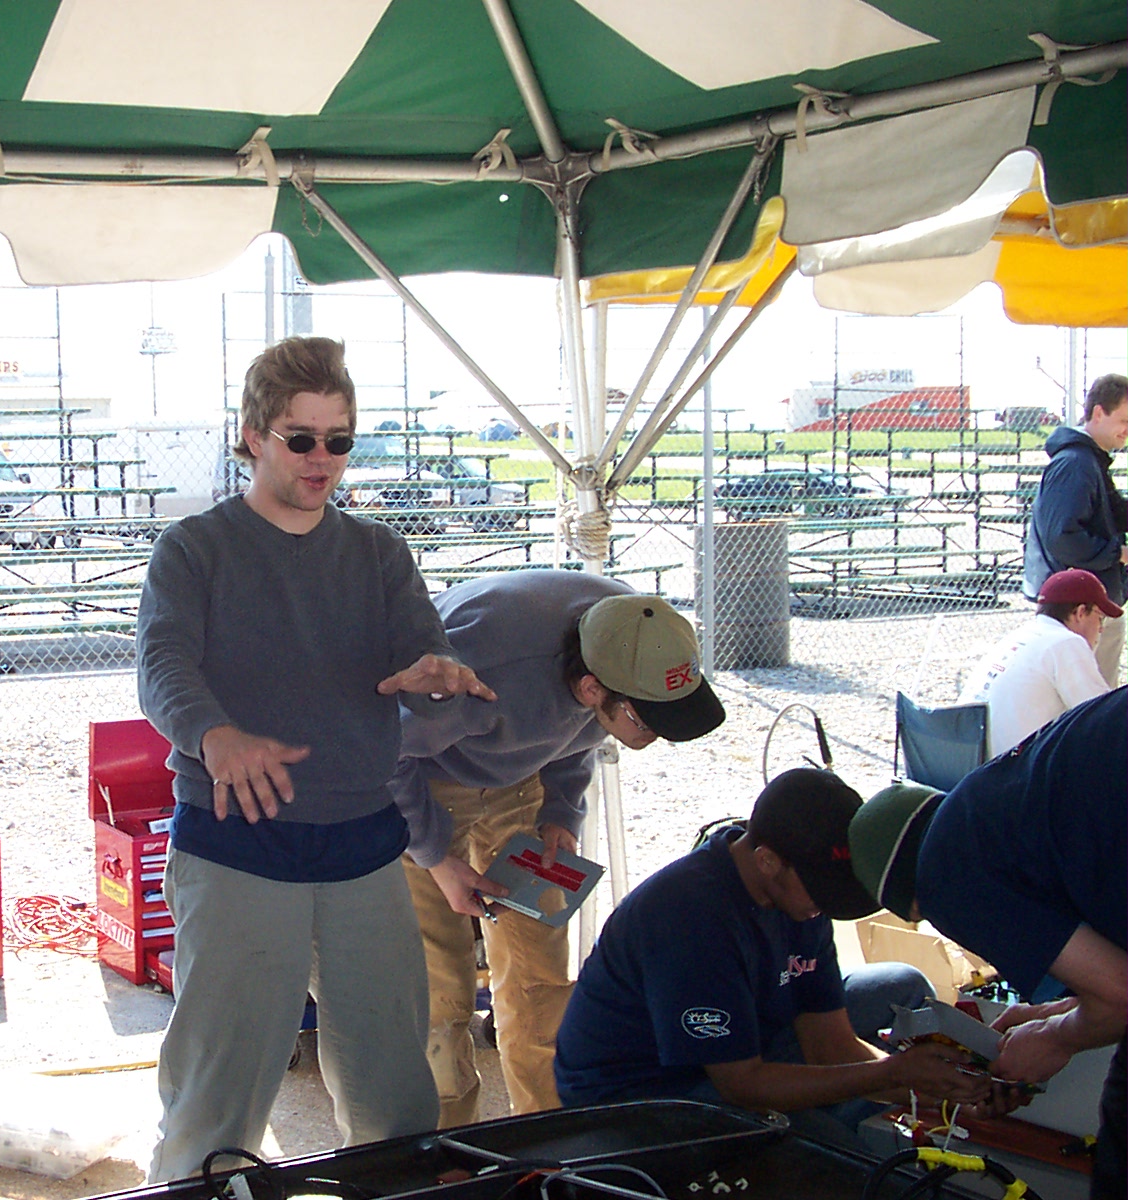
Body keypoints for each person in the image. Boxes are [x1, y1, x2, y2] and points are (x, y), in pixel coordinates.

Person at [136, 335, 495, 1181]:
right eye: (301, 438)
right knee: (219, 1094)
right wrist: (217, 737)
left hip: (365, 842)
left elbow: (424, 657)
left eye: (340, 440)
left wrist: (435, 677)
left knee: (393, 1083)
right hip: (237, 845)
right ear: (254, 436)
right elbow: (162, 669)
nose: (322, 458)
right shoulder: (194, 549)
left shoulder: (377, 550)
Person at [392, 572, 726, 1126]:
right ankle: (443, 1151)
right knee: (439, 987)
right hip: (423, 782)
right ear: (594, 688)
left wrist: (559, 813)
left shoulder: (631, 636)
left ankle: (549, 1133)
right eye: (649, 723)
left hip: (521, 782)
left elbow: (580, 731)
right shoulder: (481, 679)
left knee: (539, 975)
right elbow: (385, 753)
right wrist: (434, 858)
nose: (656, 738)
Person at [554, 768, 990, 1146]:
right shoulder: (689, 917)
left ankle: (842, 1114)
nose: (824, 906)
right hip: (640, 1089)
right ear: (766, 860)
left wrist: (945, 1089)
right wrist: (896, 1076)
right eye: (821, 891)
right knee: (838, 1161)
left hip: (746, 1038)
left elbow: (829, 1044)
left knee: (902, 985)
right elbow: (743, 1084)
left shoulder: (798, 892)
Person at [850, 697, 1128, 1199]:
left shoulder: (946, 875)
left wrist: (1059, 1039)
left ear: (914, 903)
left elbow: (1122, 994)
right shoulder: (994, 803)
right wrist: (1058, 1013)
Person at [1024, 374, 1128, 685]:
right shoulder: (1075, 464)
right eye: (1124, 419)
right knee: (1091, 703)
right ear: (1099, 412)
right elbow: (1062, 537)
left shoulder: (1089, 461)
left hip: (1090, 601)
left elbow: (1114, 513)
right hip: (1076, 609)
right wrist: (1118, 554)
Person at [957, 566, 1117, 756]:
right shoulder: (1066, 642)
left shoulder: (1023, 634)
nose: (1101, 629)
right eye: (1101, 618)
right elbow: (1106, 721)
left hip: (972, 765)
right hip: (1014, 771)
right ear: (1080, 612)